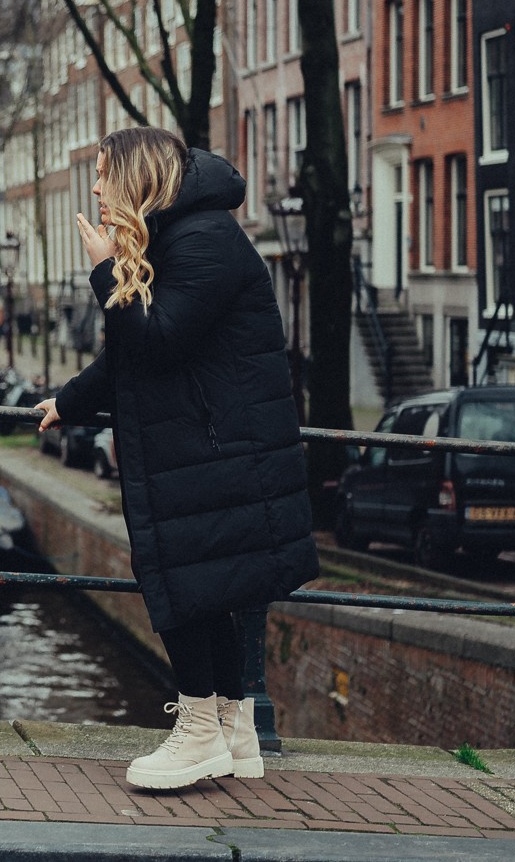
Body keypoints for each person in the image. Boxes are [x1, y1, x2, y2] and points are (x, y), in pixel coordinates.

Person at [35, 126, 318, 793]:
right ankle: (233, 729)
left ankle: (196, 734)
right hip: (206, 449)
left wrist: (106, 268)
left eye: (105, 175)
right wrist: (68, 401)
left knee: (185, 590)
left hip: (211, 452)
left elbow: (155, 342)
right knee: (208, 591)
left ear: (137, 179)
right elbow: (128, 354)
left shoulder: (203, 242)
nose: (97, 190)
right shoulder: (187, 237)